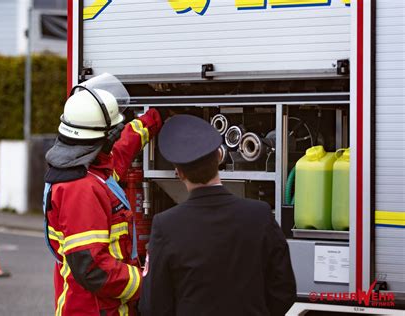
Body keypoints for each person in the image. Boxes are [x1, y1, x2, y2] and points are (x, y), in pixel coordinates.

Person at [139, 114, 297, 316]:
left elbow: (153, 306)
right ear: (219, 159)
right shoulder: (260, 215)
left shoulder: (166, 225)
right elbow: (284, 290)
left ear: (179, 173)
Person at [43, 74, 162, 316]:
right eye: (113, 131)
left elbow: (119, 154)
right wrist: (148, 284)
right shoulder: (81, 190)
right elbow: (93, 269)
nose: (117, 135)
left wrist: (153, 119)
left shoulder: (87, 171)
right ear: (104, 136)